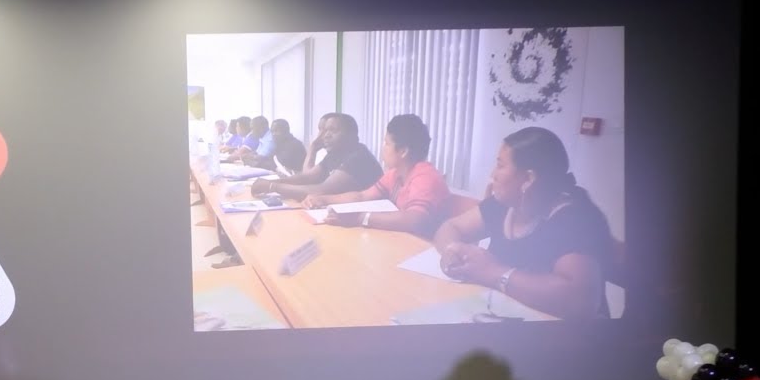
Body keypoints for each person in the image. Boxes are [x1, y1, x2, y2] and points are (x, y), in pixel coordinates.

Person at [434, 125, 615, 320]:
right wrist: (451, 251)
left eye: (500, 166)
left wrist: (493, 272)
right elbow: (451, 227)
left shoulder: (575, 218)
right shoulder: (504, 203)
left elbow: (579, 300)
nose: (493, 174)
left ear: (528, 178)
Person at [303, 113, 451, 238]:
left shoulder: (425, 176)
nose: (383, 148)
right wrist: (324, 199)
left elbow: (415, 219)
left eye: (386, 143)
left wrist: (360, 218)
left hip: (423, 249)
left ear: (403, 151)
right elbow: (362, 196)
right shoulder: (395, 174)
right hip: (402, 241)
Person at [252, 113, 382, 200]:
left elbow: (321, 191)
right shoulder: (335, 154)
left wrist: (272, 187)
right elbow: (306, 177)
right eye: (325, 130)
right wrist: (270, 183)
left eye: (333, 130)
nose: (326, 135)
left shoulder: (358, 157)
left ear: (351, 135)